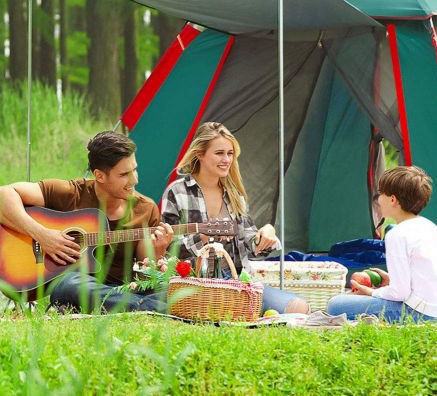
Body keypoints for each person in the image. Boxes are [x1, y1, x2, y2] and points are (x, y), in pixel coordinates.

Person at [0, 131, 173, 313]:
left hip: (124, 289)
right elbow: (4, 195)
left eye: (134, 169)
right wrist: (42, 235)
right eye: (124, 174)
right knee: (70, 284)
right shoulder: (71, 193)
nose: (134, 180)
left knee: (171, 287)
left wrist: (157, 254)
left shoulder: (145, 209)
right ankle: (152, 308)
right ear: (99, 176)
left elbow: (144, 277)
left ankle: (137, 305)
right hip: (80, 286)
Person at [161, 122, 310, 315]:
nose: (226, 159)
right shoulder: (177, 192)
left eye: (230, 153)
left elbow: (251, 245)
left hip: (237, 281)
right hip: (196, 285)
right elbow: (168, 248)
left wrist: (266, 233)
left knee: (299, 307)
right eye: (219, 153)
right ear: (199, 154)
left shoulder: (234, 195)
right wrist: (203, 239)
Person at [327, 166, 437, 323]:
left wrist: (371, 292)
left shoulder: (397, 235)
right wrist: (391, 280)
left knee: (335, 305)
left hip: (421, 314)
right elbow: (426, 276)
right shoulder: (432, 228)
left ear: (393, 200)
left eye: (381, 194)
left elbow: (400, 294)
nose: (378, 199)